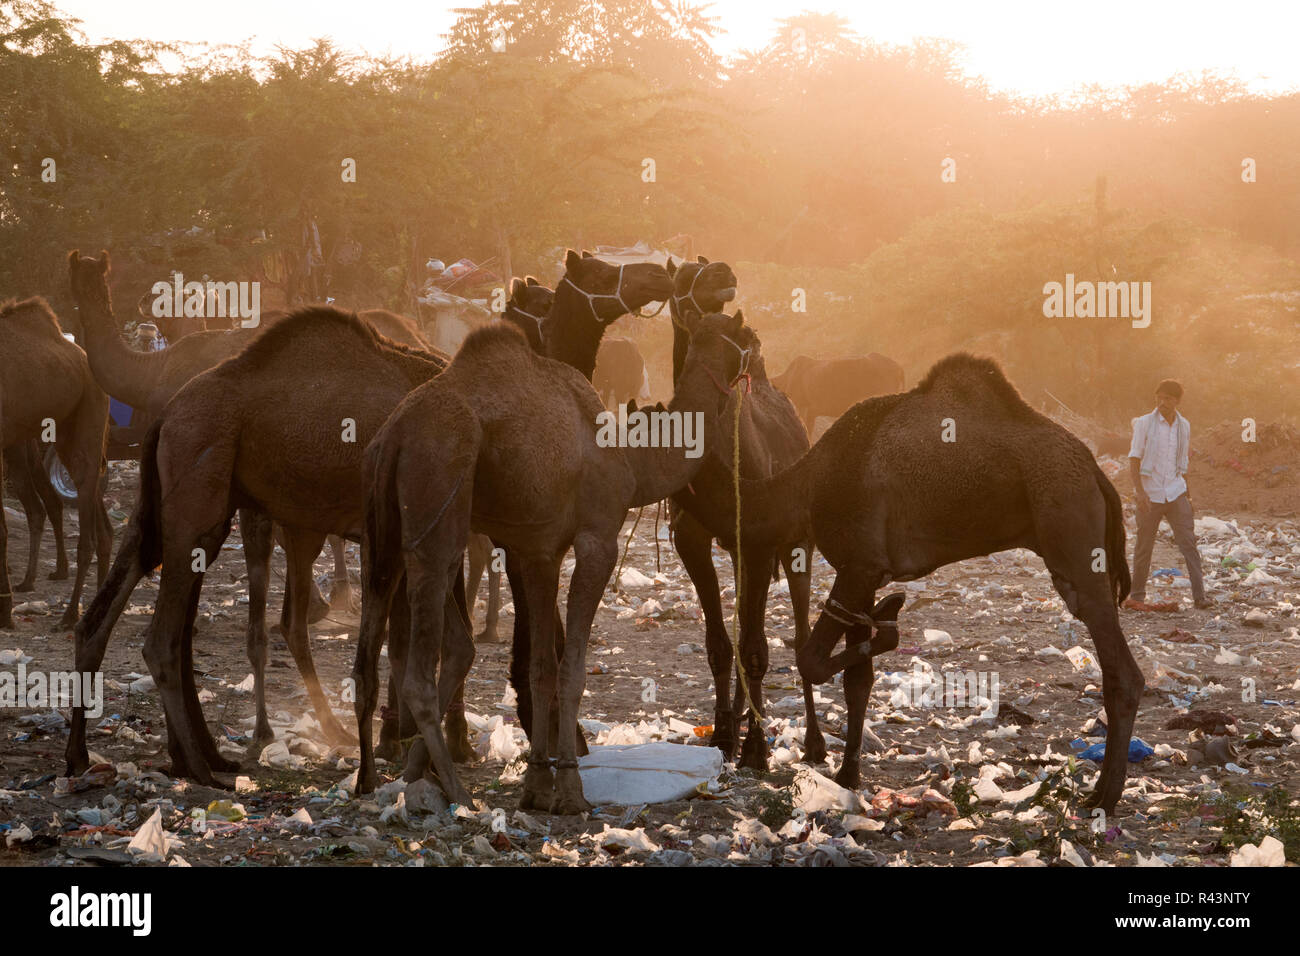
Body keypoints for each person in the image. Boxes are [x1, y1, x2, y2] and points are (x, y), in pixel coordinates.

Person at [1125, 379, 1211, 610]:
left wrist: (1188, 497)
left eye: (1168, 399)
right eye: (1160, 397)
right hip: (1150, 494)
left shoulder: (1184, 426)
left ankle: (1199, 596)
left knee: (1188, 544)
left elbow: (1182, 462)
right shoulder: (1144, 423)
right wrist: (1139, 492)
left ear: (1177, 401)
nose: (1163, 402)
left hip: (1176, 491)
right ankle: (1137, 596)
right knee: (1144, 547)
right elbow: (1134, 458)